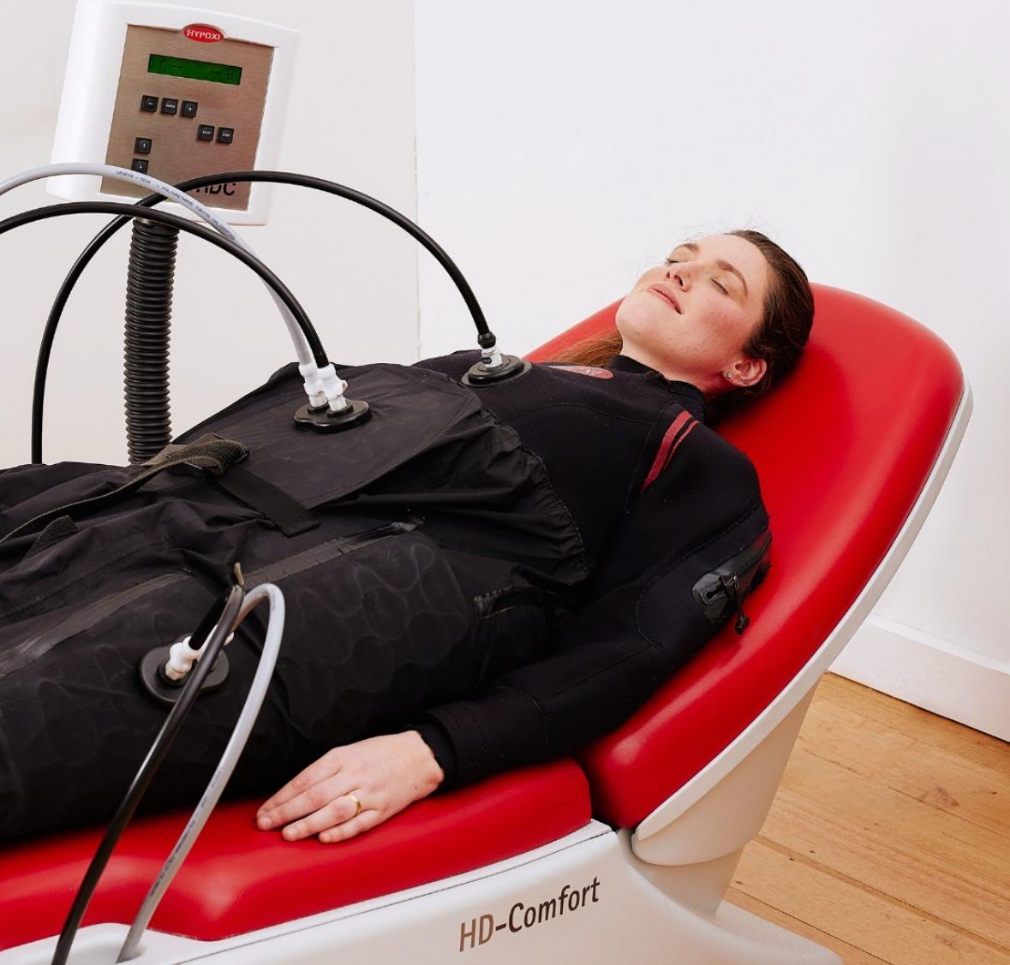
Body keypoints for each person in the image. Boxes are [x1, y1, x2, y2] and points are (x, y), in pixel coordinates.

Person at [0, 230, 813, 844]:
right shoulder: (492, 366)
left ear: (746, 366)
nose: (678, 270)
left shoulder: (694, 461)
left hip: (313, 598)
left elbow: (627, 648)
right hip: (181, 511)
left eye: (720, 282)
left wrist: (435, 748)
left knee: (34, 703)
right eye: (680, 254)